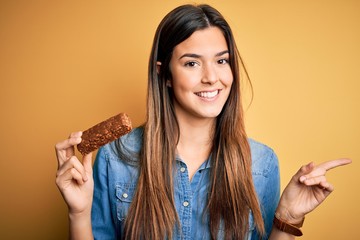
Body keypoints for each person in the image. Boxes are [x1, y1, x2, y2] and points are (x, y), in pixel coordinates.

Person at [55, 4, 351, 240]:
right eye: (192, 63)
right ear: (164, 74)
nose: (212, 77)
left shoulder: (261, 164)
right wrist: (78, 213)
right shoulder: (116, 158)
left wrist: (288, 216)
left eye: (221, 60)